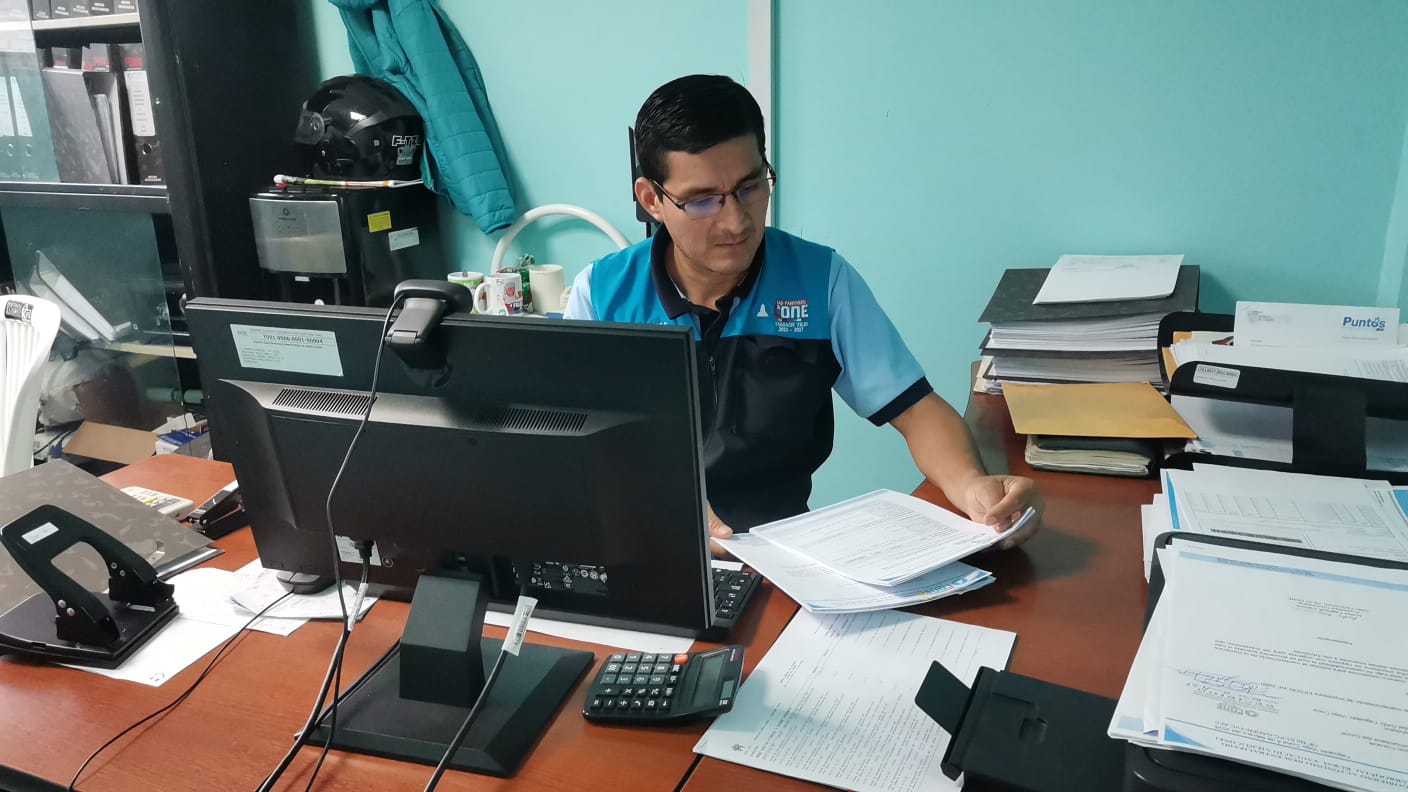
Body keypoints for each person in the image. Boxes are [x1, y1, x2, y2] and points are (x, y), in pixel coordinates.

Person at [564, 74, 1043, 552]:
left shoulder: (820, 281)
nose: (735, 222)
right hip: (640, 545)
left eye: (750, 187)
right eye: (703, 201)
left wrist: (973, 486)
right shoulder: (601, 296)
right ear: (651, 200)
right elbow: (569, 450)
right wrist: (667, 513)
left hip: (781, 553)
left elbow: (916, 410)